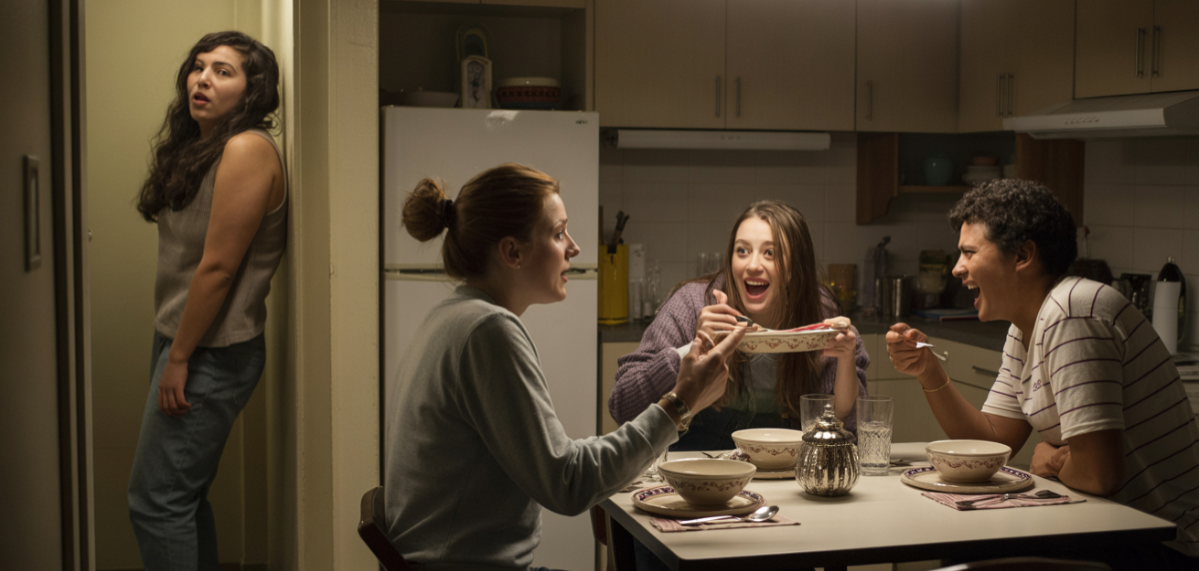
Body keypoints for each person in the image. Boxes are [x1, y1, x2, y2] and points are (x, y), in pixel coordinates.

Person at [385, 163, 745, 571]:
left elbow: (561, 460)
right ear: (512, 252)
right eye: (558, 234)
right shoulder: (489, 331)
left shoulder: (452, 316)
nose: (573, 247)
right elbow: (569, 485)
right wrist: (680, 404)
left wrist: (678, 406)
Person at [886, 179, 1199, 569]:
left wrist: (1049, 461)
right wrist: (929, 371)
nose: (957, 268)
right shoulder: (1028, 324)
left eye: (969, 252)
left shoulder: (1072, 313)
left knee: (968, 550)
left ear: (1022, 255)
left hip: (1161, 544)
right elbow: (991, 441)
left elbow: (1099, 475)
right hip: (1105, 526)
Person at [127, 31, 285, 571]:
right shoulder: (206, 147)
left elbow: (218, 268)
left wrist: (179, 359)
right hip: (186, 339)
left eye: (223, 71)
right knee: (180, 500)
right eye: (198, 67)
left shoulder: (247, 149)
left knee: (156, 502)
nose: (203, 79)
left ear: (252, 90)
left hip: (211, 350)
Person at [608, 200, 868, 450]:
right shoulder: (692, 305)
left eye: (770, 253)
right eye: (742, 250)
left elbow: (849, 430)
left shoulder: (820, 316)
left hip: (785, 477)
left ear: (794, 268)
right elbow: (622, 406)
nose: (752, 265)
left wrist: (845, 358)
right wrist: (692, 349)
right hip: (696, 472)